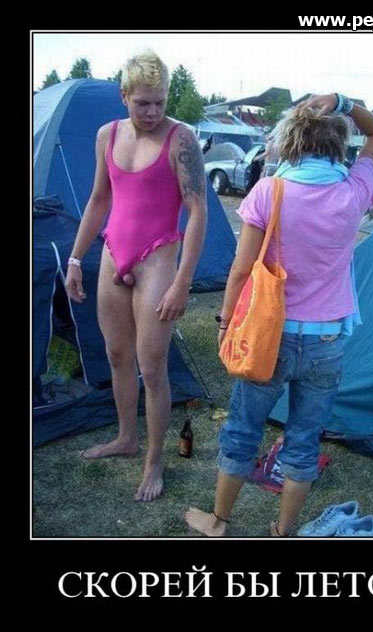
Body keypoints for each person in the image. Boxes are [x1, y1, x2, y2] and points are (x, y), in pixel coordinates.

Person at [185, 92, 373, 536]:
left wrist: (226, 323)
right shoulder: (353, 192)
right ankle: (283, 531)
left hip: (268, 338)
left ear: (291, 140)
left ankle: (219, 522)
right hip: (326, 342)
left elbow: (241, 270)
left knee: (243, 429)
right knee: (303, 440)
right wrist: (342, 102)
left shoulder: (269, 191)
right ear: (337, 143)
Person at [64, 50, 207, 501]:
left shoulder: (181, 139)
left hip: (157, 258)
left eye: (160, 102)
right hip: (114, 252)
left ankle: (154, 460)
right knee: (117, 355)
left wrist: (183, 281)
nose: (152, 112)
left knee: (153, 367)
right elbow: (98, 199)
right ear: (124, 96)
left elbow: (198, 211)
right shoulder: (107, 135)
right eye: (143, 103)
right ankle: (127, 438)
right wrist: (74, 259)